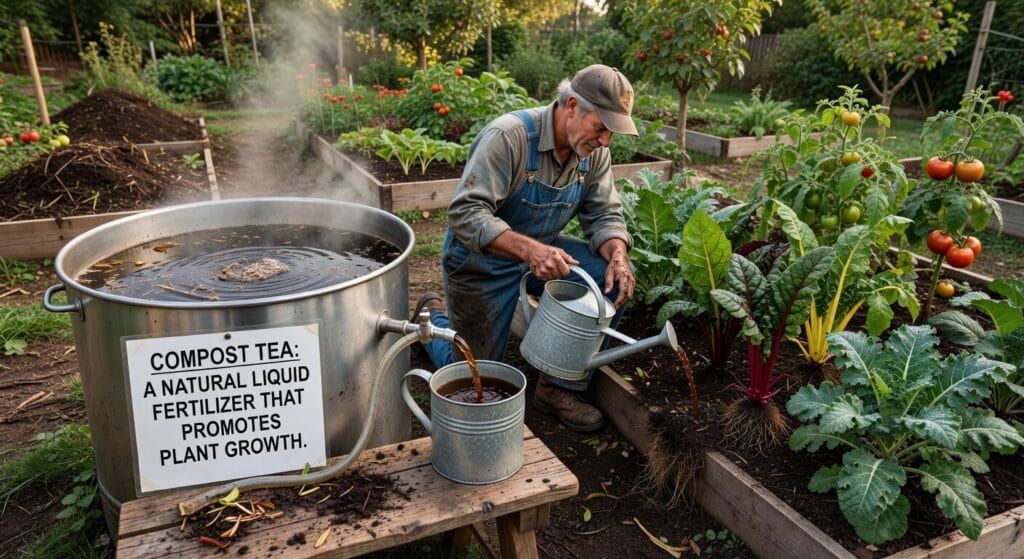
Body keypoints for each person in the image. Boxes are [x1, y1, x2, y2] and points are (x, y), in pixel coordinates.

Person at [413, 64, 638, 433]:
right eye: (601, 128)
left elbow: (605, 214)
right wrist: (530, 251)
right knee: (475, 381)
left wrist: (618, 255)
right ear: (570, 107)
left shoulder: (593, 154)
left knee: (609, 283)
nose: (605, 142)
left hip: (545, 256)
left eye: (612, 133)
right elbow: (466, 213)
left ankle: (556, 387)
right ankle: (433, 321)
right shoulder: (509, 137)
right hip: (480, 262)